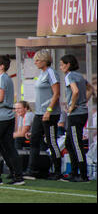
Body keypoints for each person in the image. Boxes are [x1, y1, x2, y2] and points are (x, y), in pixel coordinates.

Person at [22, 50, 63, 180]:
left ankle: (57, 171)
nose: (35, 63)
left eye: (37, 60)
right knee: (34, 140)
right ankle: (31, 169)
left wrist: (49, 110)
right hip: (39, 113)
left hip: (49, 113)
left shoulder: (51, 73)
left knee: (51, 141)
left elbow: (56, 93)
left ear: (45, 60)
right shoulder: (41, 74)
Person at [0, 55, 24, 185]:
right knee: (8, 147)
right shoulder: (7, 78)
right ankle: (17, 175)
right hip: (8, 116)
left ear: (2, 66)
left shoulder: (1, 78)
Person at [60, 54, 95, 182]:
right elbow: (91, 89)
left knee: (76, 143)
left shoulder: (69, 76)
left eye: (62, 64)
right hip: (81, 112)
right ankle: (74, 172)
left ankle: (83, 175)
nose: (61, 66)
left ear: (68, 64)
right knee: (69, 143)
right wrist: (84, 101)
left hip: (76, 114)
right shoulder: (80, 76)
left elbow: (75, 91)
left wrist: (73, 106)